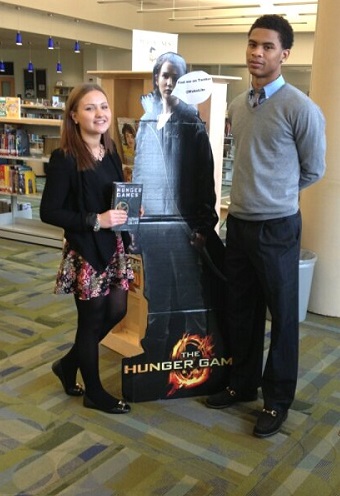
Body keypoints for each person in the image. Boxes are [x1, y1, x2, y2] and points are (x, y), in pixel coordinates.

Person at [205, 15, 326, 437]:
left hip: (277, 228)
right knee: (241, 312)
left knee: (283, 317)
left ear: (285, 55)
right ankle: (242, 385)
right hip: (237, 223)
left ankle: (277, 401)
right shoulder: (239, 106)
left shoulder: (300, 108)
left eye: (268, 47)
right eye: (253, 44)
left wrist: (277, 195)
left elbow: (314, 169)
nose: (257, 53)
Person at [40, 83, 133, 414]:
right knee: (90, 322)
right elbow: (50, 211)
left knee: (118, 310)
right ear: (74, 116)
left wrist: (128, 212)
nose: (100, 114)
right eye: (90, 108)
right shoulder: (65, 158)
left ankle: (68, 364)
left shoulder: (109, 153)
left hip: (113, 246)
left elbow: (112, 197)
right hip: (86, 249)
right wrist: (97, 219)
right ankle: (93, 391)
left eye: (103, 106)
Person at [131, 52, 220, 390]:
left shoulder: (191, 123)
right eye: (164, 75)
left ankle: (193, 360)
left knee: (189, 293)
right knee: (157, 291)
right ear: (156, 78)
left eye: (175, 77)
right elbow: (139, 172)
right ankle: (154, 351)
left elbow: (204, 180)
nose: (168, 82)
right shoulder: (145, 122)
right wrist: (134, 226)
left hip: (183, 227)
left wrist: (202, 227)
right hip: (152, 225)